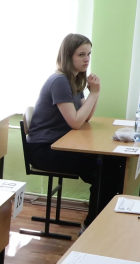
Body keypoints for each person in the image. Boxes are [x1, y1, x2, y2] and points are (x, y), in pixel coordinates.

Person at [24, 33, 113, 223]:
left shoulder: (74, 79)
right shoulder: (60, 81)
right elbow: (75, 122)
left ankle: (99, 221)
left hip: (60, 144)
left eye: (89, 54)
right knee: (105, 169)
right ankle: (93, 225)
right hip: (44, 149)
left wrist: (93, 94)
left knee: (111, 166)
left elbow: (86, 117)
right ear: (68, 56)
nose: (87, 59)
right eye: (81, 55)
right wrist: (94, 94)